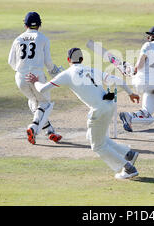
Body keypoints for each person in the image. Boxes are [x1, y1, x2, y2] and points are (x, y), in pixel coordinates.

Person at [26, 48, 142, 180]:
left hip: (99, 110)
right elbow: (117, 79)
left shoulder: (67, 74)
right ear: (82, 59)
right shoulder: (92, 70)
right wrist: (130, 93)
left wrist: (35, 80)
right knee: (93, 136)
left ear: (68, 60)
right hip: (109, 106)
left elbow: (41, 89)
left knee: (97, 146)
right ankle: (129, 154)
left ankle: (128, 168)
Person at [8, 12, 63, 145]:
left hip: (20, 77)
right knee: (45, 103)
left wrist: (22, 71)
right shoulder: (43, 38)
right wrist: (57, 73)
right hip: (37, 76)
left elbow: (11, 61)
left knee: (33, 101)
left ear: (25, 25)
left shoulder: (18, 39)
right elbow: (48, 62)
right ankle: (33, 126)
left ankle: (49, 130)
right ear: (39, 25)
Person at [118, 26, 154, 133]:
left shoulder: (148, 45)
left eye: (151, 35)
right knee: (147, 112)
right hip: (153, 83)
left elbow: (139, 65)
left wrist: (132, 71)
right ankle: (129, 116)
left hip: (140, 81)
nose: (149, 37)